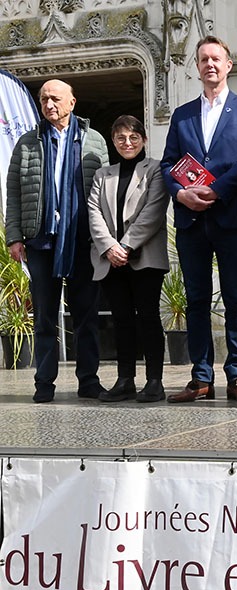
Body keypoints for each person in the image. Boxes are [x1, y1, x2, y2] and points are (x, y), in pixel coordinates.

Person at [160, 35, 237, 403]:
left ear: (228, 64)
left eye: (216, 59)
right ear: (198, 67)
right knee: (196, 299)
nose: (210, 65)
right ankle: (200, 378)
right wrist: (181, 193)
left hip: (230, 219)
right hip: (190, 221)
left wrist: (216, 190)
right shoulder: (182, 114)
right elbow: (168, 163)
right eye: (203, 59)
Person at [5, 79, 108, 403]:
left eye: (55, 99)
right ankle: (44, 385)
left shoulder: (94, 140)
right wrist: (14, 237)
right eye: (43, 99)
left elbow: (104, 191)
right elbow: (15, 194)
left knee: (86, 316)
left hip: (81, 240)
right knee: (45, 316)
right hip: (41, 241)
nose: (49, 104)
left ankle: (89, 381)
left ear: (72, 102)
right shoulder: (26, 143)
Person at [86, 115, 169, 403]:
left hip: (144, 257)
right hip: (110, 260)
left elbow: (153, 212)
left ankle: (155, 381)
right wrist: (110, 247)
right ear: (113, 141)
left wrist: (126, 246)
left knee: (148, 318)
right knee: (121, 320)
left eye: (133, 137)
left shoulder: (156, 170)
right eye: (121, 137)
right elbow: (93, 213)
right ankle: (125, 380)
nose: (127, 142)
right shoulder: (102, 174)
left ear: (144, 139)